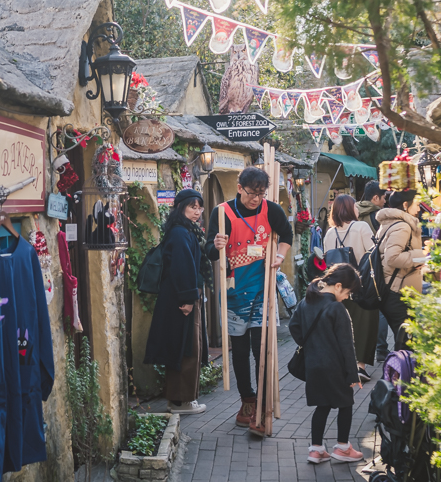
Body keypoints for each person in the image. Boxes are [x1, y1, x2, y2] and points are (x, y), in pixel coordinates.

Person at [207, 167, 293, 435]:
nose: (256, 199)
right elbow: (209, 251)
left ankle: (263, 407)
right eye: (252, 193)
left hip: (262, 292)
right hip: (233, 294)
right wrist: (216, 244)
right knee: (240, 352)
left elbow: (286, 235)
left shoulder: (271, 210)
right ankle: (248, 401)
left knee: (262, 348)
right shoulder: (222, 213)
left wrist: (279, 257)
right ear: (239, 186)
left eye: (261, 193)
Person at [289, 263, 365, 465]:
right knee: (346, 405)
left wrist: (310, 344)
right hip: (336, 368)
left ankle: (316, 450)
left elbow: (293, 326)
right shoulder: (337, 308)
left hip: (313, 365)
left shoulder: (306, 302)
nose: (347, 297)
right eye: (348, 292)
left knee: (322, 407)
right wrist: (352, 375)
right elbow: (347, 346)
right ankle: (342, 447)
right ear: (338, 286)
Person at [145, 189, 208, 414]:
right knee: (186, 348)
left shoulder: (183, 231)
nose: (197, 212)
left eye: (199, 207)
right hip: (182, 300)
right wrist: (189, 299)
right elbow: (183, 268)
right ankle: (182, 401)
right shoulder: (181, 233)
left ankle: (178, 400)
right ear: (181, 207)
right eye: (192, 207)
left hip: (179, 297)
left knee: (183, 347)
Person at [323, 194, 377, 383]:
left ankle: (342, 366)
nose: (357, 209)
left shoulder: (329, 233)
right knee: (364, 325)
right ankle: (359, 367)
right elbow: (373, 253)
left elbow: (326, 260)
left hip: (337, 289)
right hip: (360, 285)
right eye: (355, 206)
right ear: (349, 207)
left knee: (342, 327)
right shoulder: (361, 227)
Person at [376, 190, 431, 351]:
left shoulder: (392, 223)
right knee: (408, 345)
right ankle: (400, 374)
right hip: (397, 291)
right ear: (406, 205)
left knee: (405, 343)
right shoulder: (402, 226)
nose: (419, 208)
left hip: (394, 288)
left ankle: (400, 373)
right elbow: (392, 258)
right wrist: (420, 256)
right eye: (417, 204)